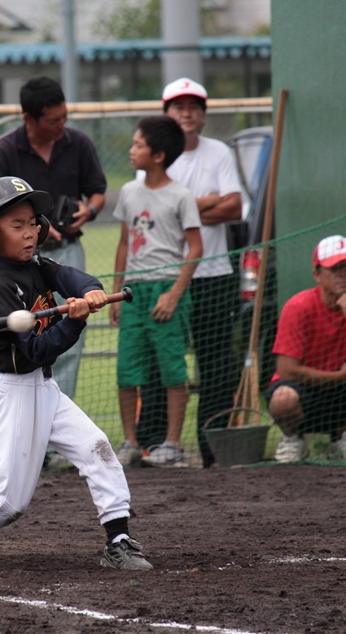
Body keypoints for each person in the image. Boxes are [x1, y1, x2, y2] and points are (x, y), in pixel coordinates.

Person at [0, 176, 152, 571]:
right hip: (9, 393)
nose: (30, 233)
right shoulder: (0, 287)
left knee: (97, 448)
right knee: (10, 504)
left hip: (43, 388)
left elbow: (68, 276)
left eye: (33, 223)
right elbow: (35, 351)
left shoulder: (35, 264)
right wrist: (73, 322)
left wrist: (91, 290)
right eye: (16, 225)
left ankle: (118, 540)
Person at [0, 76, 107, 467]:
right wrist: (32, 231)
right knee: (26, 344)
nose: (61, 125)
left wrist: (89, 210)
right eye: (53, 119)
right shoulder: (4, 150)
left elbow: (97, 190)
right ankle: (28, 438)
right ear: (29, 119)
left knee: (67, 345)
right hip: (15, 265)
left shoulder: (77, 143)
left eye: (64, 116)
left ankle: (52, 437)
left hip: (60, 253)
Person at [134, 78, 243, 468]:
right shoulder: (154, 156)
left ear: (203, 113)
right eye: (178, 106)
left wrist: (180, 211)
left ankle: (213, 449)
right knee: (161, 363)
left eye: (194, 106)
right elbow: (148, 213)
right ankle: (155, 445)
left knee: (216, 364)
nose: (186, 112)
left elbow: (235, 208)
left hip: (214, 275)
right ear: (166, 112)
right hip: (163, 279)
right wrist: (207, 204)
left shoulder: (219, 152)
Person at [111, 117, 203, 468]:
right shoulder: (128, 192)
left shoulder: (181, 195)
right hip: (134, 293)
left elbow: (195, 248)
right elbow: (124, 244)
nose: (131, 150)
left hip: (167, 290)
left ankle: (172, 444)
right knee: (126, 370)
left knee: (173, 370)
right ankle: (130, 442)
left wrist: (174, 293)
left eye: (138, 145)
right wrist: (116, 293)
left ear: (159, 155)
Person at [266, 236, 346, 463]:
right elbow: (286, 370)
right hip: (304, 388)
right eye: (334, 269)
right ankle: (292, 439)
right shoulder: (298, 305)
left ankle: (344, 439)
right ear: (317, 274)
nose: (342, 275)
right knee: (283, 399)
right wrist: (338, 376)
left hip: (344, 391)